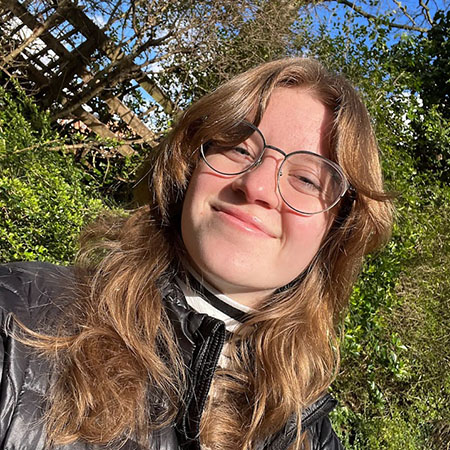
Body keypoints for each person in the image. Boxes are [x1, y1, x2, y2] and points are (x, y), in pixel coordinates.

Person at [0, 57, 392, 450]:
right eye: (238, 148)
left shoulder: (310, 439)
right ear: (190, 164)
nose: (256, 186)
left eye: (307, 179)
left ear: (339, 228)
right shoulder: (19, 320)